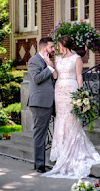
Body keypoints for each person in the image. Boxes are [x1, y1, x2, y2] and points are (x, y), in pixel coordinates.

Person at [41, 35, 100, 179]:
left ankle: (71, 151)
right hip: (59, 91)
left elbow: (79, 77)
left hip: (71, 90)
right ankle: (62, 151)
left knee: (71, 120)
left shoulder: (76, 58)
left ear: (64, 45)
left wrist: (81, 94)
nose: (57, 48)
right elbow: (55, 76)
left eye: (58, 45)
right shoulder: (57, 59)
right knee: (61, 119)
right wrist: (49, 63)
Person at [27, 37, 56, 173]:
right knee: (40, 135)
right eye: (51, 47)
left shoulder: (49, 60)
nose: (54, 50)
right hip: (39, 103)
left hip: (52, 101)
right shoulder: (34, 61)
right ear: (44, 48)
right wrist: (49, 67)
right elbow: (37, 79)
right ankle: (39, 165)